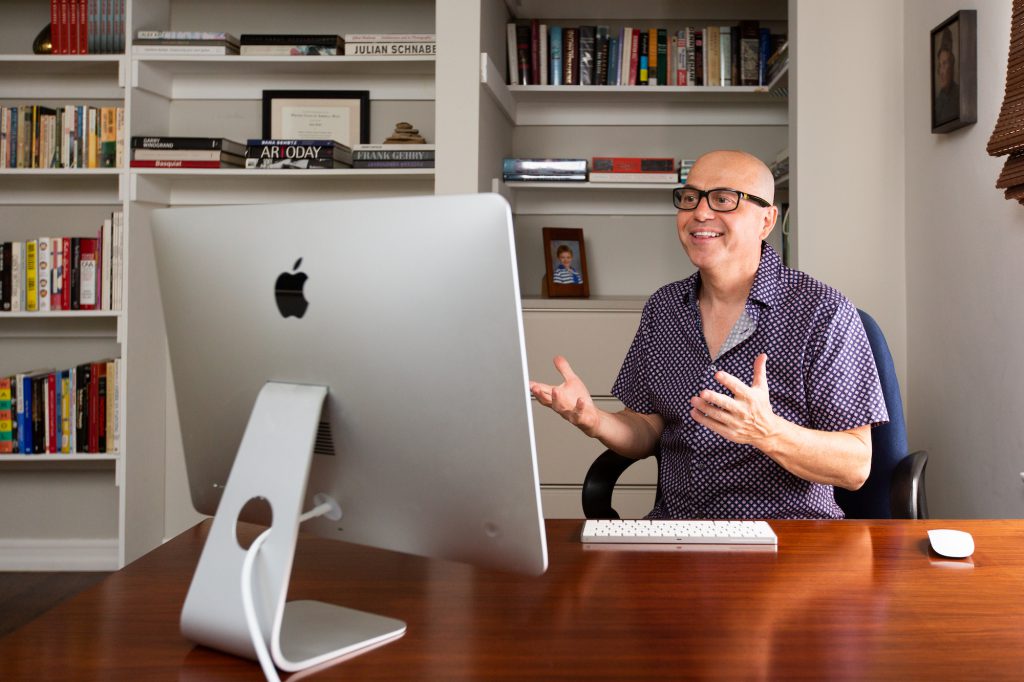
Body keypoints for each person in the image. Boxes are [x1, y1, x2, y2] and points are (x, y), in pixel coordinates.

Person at [529, 150, 888, 519]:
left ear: (766, 220)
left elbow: (855, 465)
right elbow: (647, 427)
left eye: (723, 199)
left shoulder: (822, 311)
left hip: (787, 537)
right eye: (690, 198)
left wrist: (768, 432)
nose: (700, 212)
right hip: (677, 533)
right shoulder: (664, 308)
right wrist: (596, 421)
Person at [934, 28, 959, 124]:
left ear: (952, 66)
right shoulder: (937, 102)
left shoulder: (959, 96)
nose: (941, 72)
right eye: (940, 65)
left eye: (945, 64)